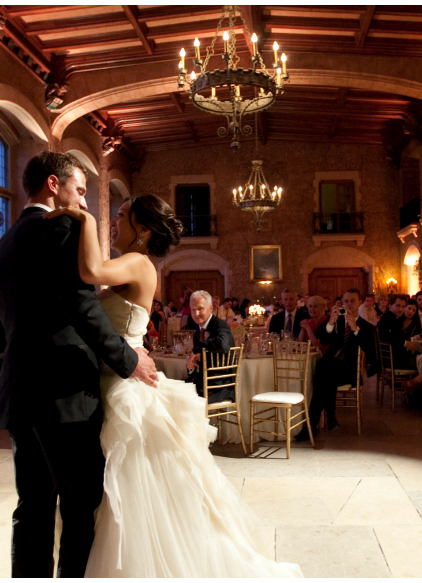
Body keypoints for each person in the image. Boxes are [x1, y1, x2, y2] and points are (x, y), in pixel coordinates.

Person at [46, 193, 301, 577]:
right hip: (113, 372)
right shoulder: (132, 262)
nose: (112, 222)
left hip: (123, 382)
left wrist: (84, 220)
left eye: (119, 216)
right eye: (110, 217)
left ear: (143, 230)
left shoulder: (137, 262)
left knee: (136, 486)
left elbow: (90, 272)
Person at [0, 152, 159, 578]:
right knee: (81, 506)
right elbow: (82, 304)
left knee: (33, 505)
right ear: (52, 184)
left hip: (18, 393)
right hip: (63, 392)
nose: (82, 202)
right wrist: (127, 359)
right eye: (79, 190)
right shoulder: (60, 225)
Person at [295, 288, 377, 440]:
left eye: (353, 301)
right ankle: (325, 419)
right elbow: (323, 341)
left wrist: (355, 329)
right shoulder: (337, 321)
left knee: (323, 369)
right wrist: (330, 324)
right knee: (326, 371)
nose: (349, 304)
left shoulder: (365, 326)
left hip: (350, 369)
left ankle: (316, 423)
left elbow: (370, 351)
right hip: (332, 369)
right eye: (346, 301)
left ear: (360, 302)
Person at [184, 290, 236, 403]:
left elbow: (223, 344)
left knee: (180, 397)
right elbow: (198, 361)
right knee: (167, 390)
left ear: (211, 308)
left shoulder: (220, 326)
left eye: (200, 309)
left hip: (220, 386)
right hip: (202, 383)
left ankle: (197, 421)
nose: (196, 314)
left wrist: (198, 348)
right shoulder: (198, 331)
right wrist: (191, 367)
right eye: (193, 310)